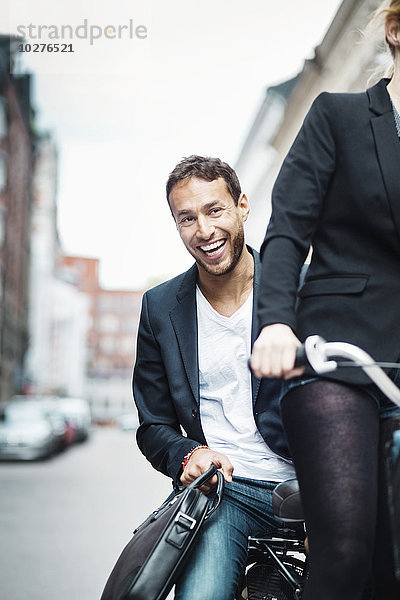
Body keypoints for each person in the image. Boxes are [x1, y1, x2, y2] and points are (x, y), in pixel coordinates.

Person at [250, 2, 400, 599]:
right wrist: (276, 324)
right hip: (336, 355)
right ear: (395, 30)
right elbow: (287, 230)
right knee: (345, 550)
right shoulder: (337, 116)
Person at [133, 155, 296, 600]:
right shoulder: (160, 308)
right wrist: (189, 455)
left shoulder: (302, 291)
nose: (203, 231)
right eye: (187, 218)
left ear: (242, 205)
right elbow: (154, 425)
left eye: (214, 210)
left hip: (315, 488)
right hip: (225, 492)